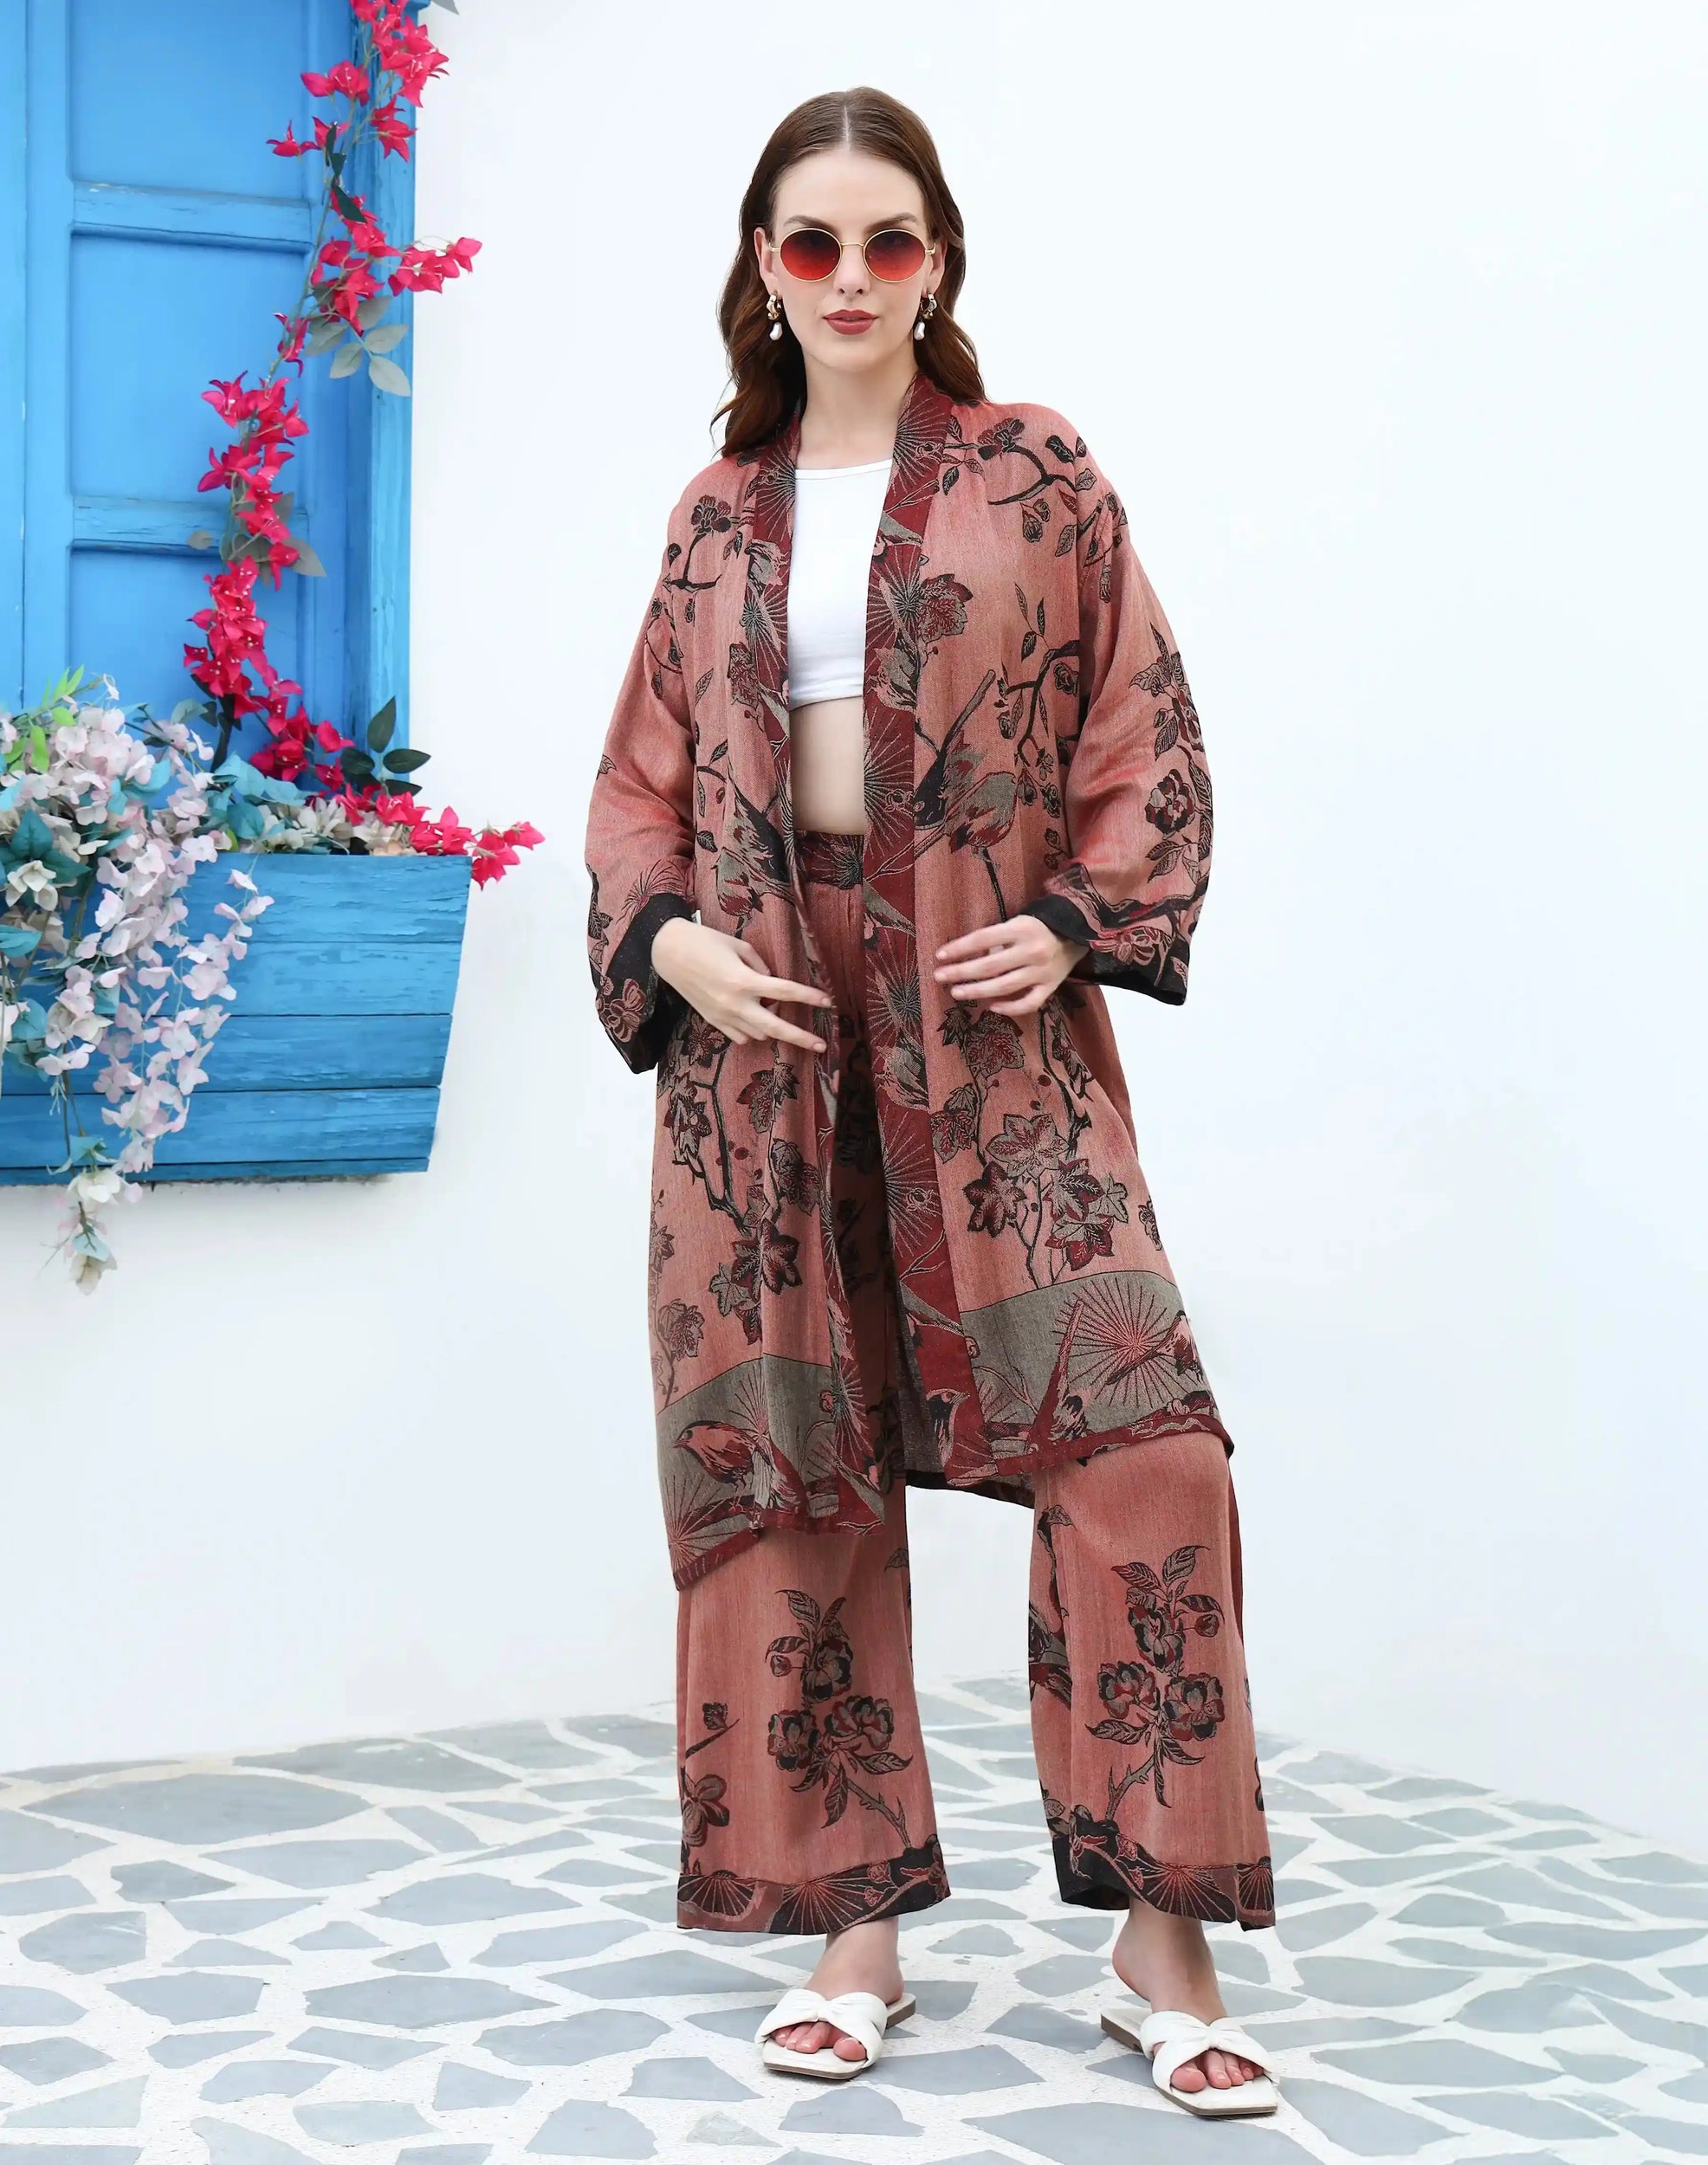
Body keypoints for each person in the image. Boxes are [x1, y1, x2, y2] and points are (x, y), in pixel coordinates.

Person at [583, 86, 1278, 2115]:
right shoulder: (716, 510)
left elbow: (1144, 718)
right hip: (767, 1035)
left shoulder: (1033, 471)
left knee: (1144, 1448)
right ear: (764, 267)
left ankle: (1158, 1944)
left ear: (938, 259)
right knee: (799, 1460)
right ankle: (848, 1928)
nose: (852, 276)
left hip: (986, 1021)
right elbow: (633, 781)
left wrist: (1070, 923)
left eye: (889, 240)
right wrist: (669, 946)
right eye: (813, 242)